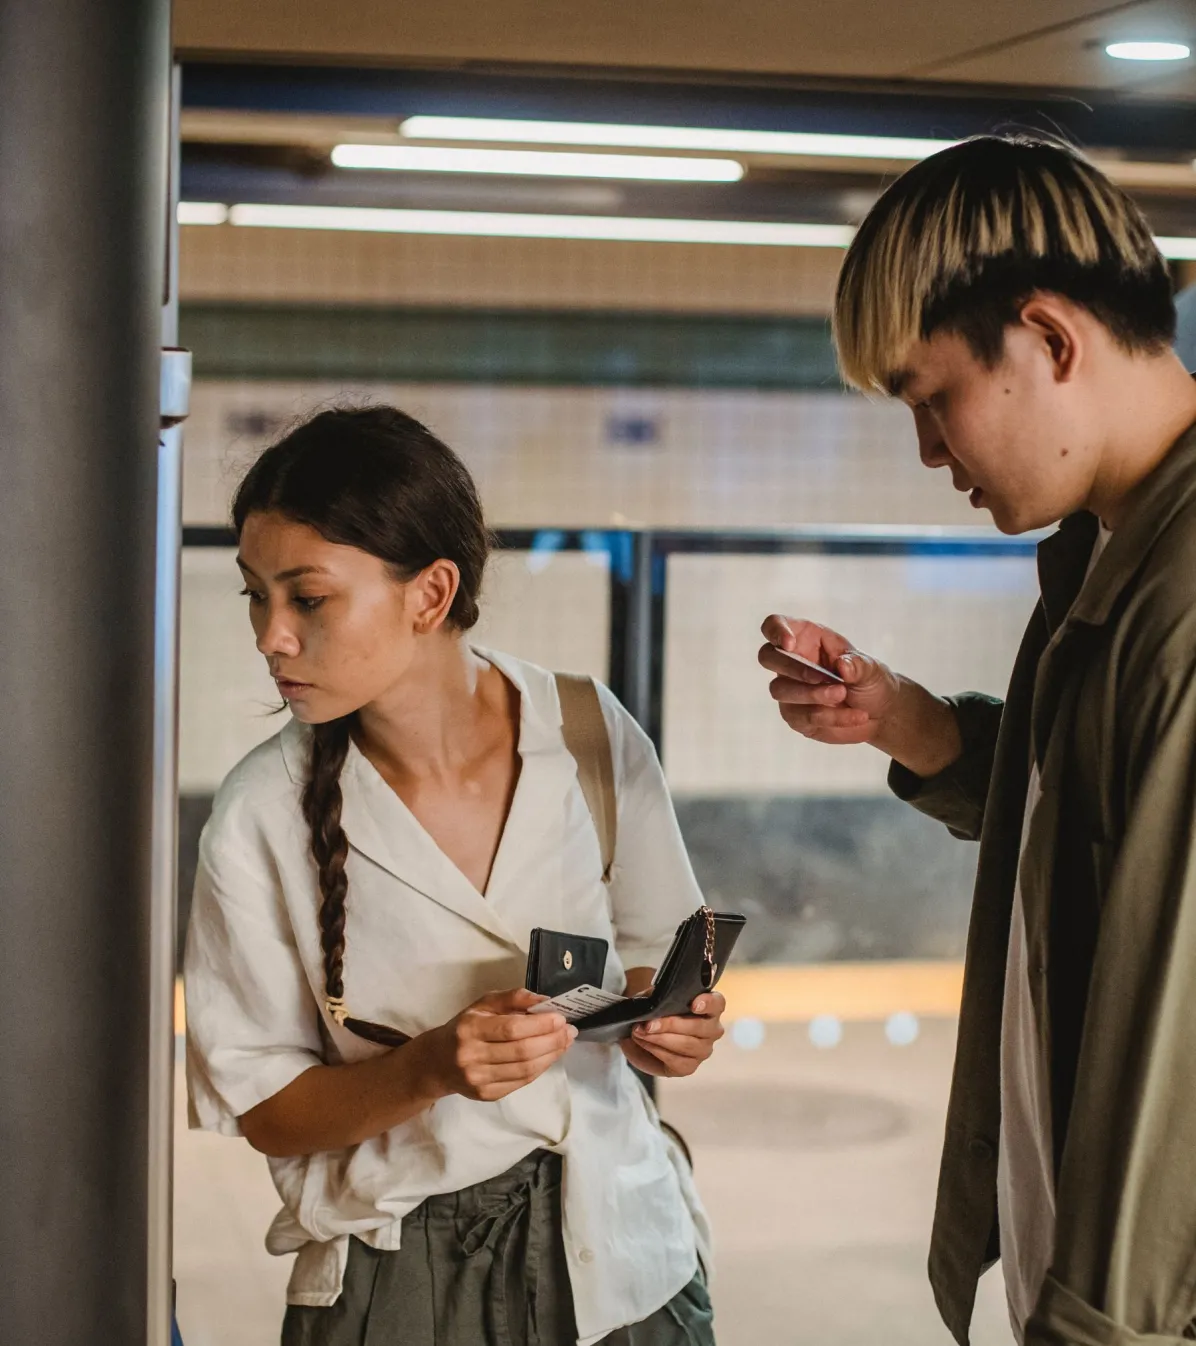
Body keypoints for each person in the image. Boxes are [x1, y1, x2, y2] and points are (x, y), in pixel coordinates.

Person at [758, 136, 1196, 1346]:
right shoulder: (1106, 556)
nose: (929, 452)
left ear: (1049, 340)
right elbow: (1093, 808)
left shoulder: (1184, 597)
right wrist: (914, 724)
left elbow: (1175, 1024)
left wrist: (1100, 1329)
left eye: (931, 398)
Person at [184, 405, 723, 1346]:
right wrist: (431, 1066)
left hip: (629, 1254)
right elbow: (269, 1111)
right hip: (402, 1279)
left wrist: (665, 1022)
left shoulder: (589, 733)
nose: (270, 636)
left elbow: (655, 950)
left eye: (306, 599)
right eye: (254, 597)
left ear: (430, 594)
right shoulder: (258, 817)